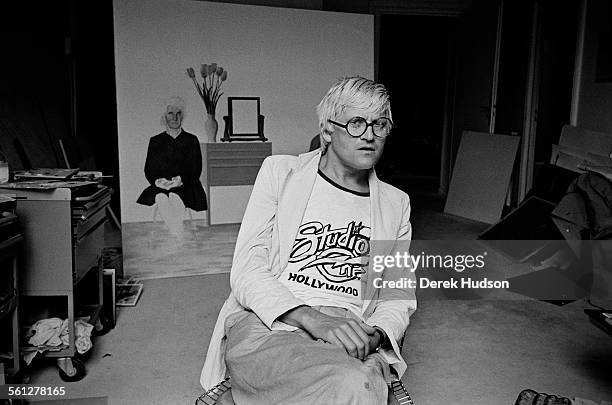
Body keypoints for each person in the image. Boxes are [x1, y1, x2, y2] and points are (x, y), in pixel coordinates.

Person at [200, 76, 417, 404]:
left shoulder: (395, 202)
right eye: (356, 123)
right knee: (344, 386)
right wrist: (312, 318)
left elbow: (396, 295)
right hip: (273, 319)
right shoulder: (281, 173)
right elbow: (247, 270)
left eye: (380, 124)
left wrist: (375, 333)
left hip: (348, 327)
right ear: (328, 130)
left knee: (357, 384)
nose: (370, 135)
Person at [136, 97, 207, 237]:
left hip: (187, 185)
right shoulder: (155, 141)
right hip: (162, 186)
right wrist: (159, 181)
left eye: (178, 113)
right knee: (161, 198)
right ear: (164, 116)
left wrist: (180, 180)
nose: (174, 117)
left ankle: (175, 233)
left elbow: (196, 169)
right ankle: (177, 232)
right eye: (170, 113)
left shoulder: (191, 140)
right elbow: (149, 169)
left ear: (183, 116)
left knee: (175, 196)